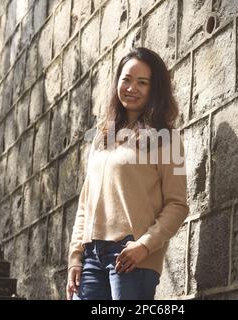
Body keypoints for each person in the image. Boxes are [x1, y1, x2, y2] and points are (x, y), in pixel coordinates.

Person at [66, 47, 189, 300]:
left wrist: (144, 246)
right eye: (127, 79)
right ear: (117, 82)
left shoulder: (168, 140)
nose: (132, 88)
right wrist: (75, 256)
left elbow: (177, 205)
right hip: (91, 259)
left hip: (132, 258)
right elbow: (84, 205)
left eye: (142, 82)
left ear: (155, 90)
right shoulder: (101, 138)